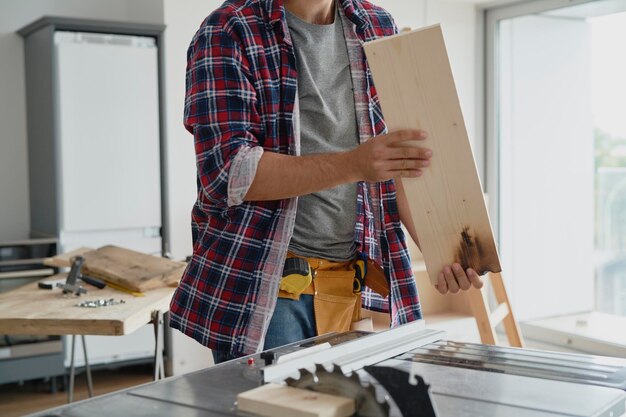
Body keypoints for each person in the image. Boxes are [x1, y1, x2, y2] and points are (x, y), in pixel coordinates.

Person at [169, 0, 483, 363]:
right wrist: (355, 164)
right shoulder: (228, 31)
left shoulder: (375, 24)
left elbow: (397, 159)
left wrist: (441, 248)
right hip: (266, 291)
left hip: (350, 283)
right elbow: (229, 174)